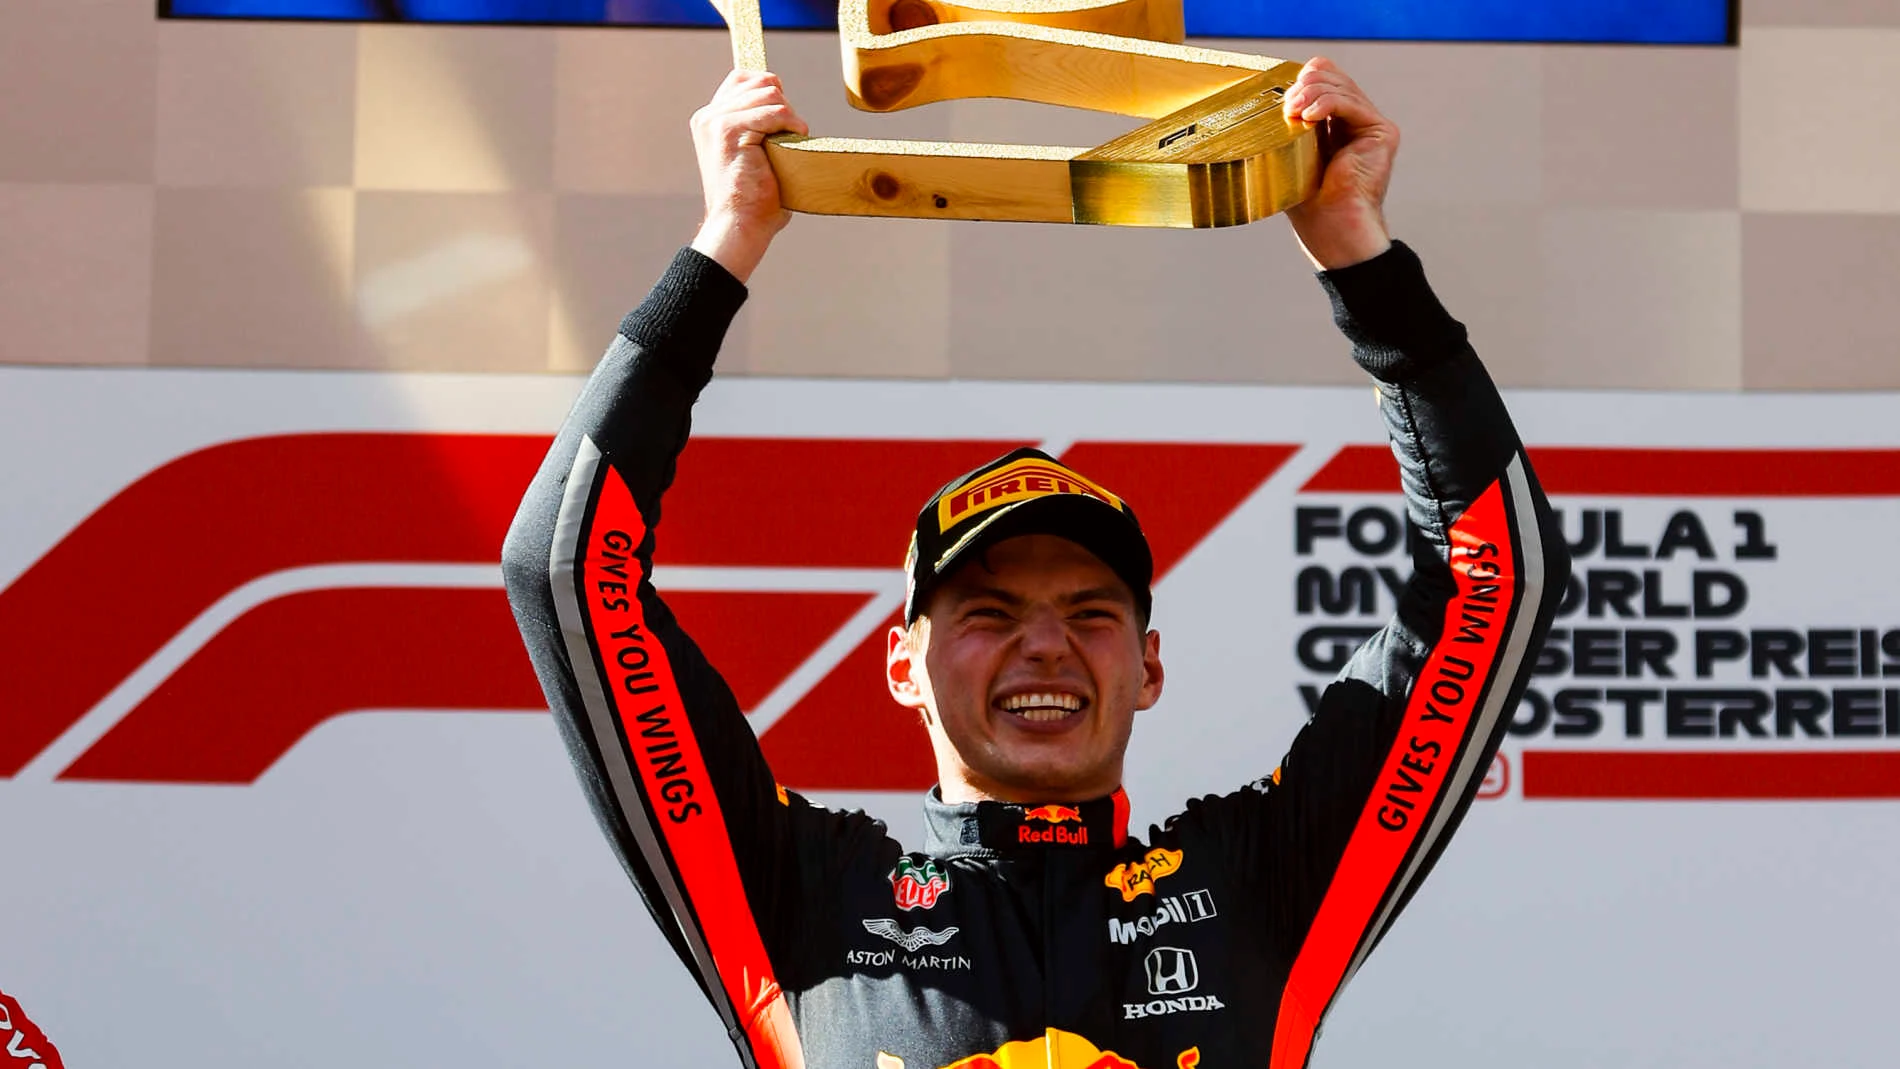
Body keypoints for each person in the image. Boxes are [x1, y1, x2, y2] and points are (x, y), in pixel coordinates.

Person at [502, 57, 1570, 1069]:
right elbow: (565, 569)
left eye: (1090, 610)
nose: (1045, 643)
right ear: (901, 665)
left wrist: (1358, 252)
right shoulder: (799, 898)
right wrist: (727, 239)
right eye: (988, 610)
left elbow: (1493, 583)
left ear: (1148, 666)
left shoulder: (1260, 886)